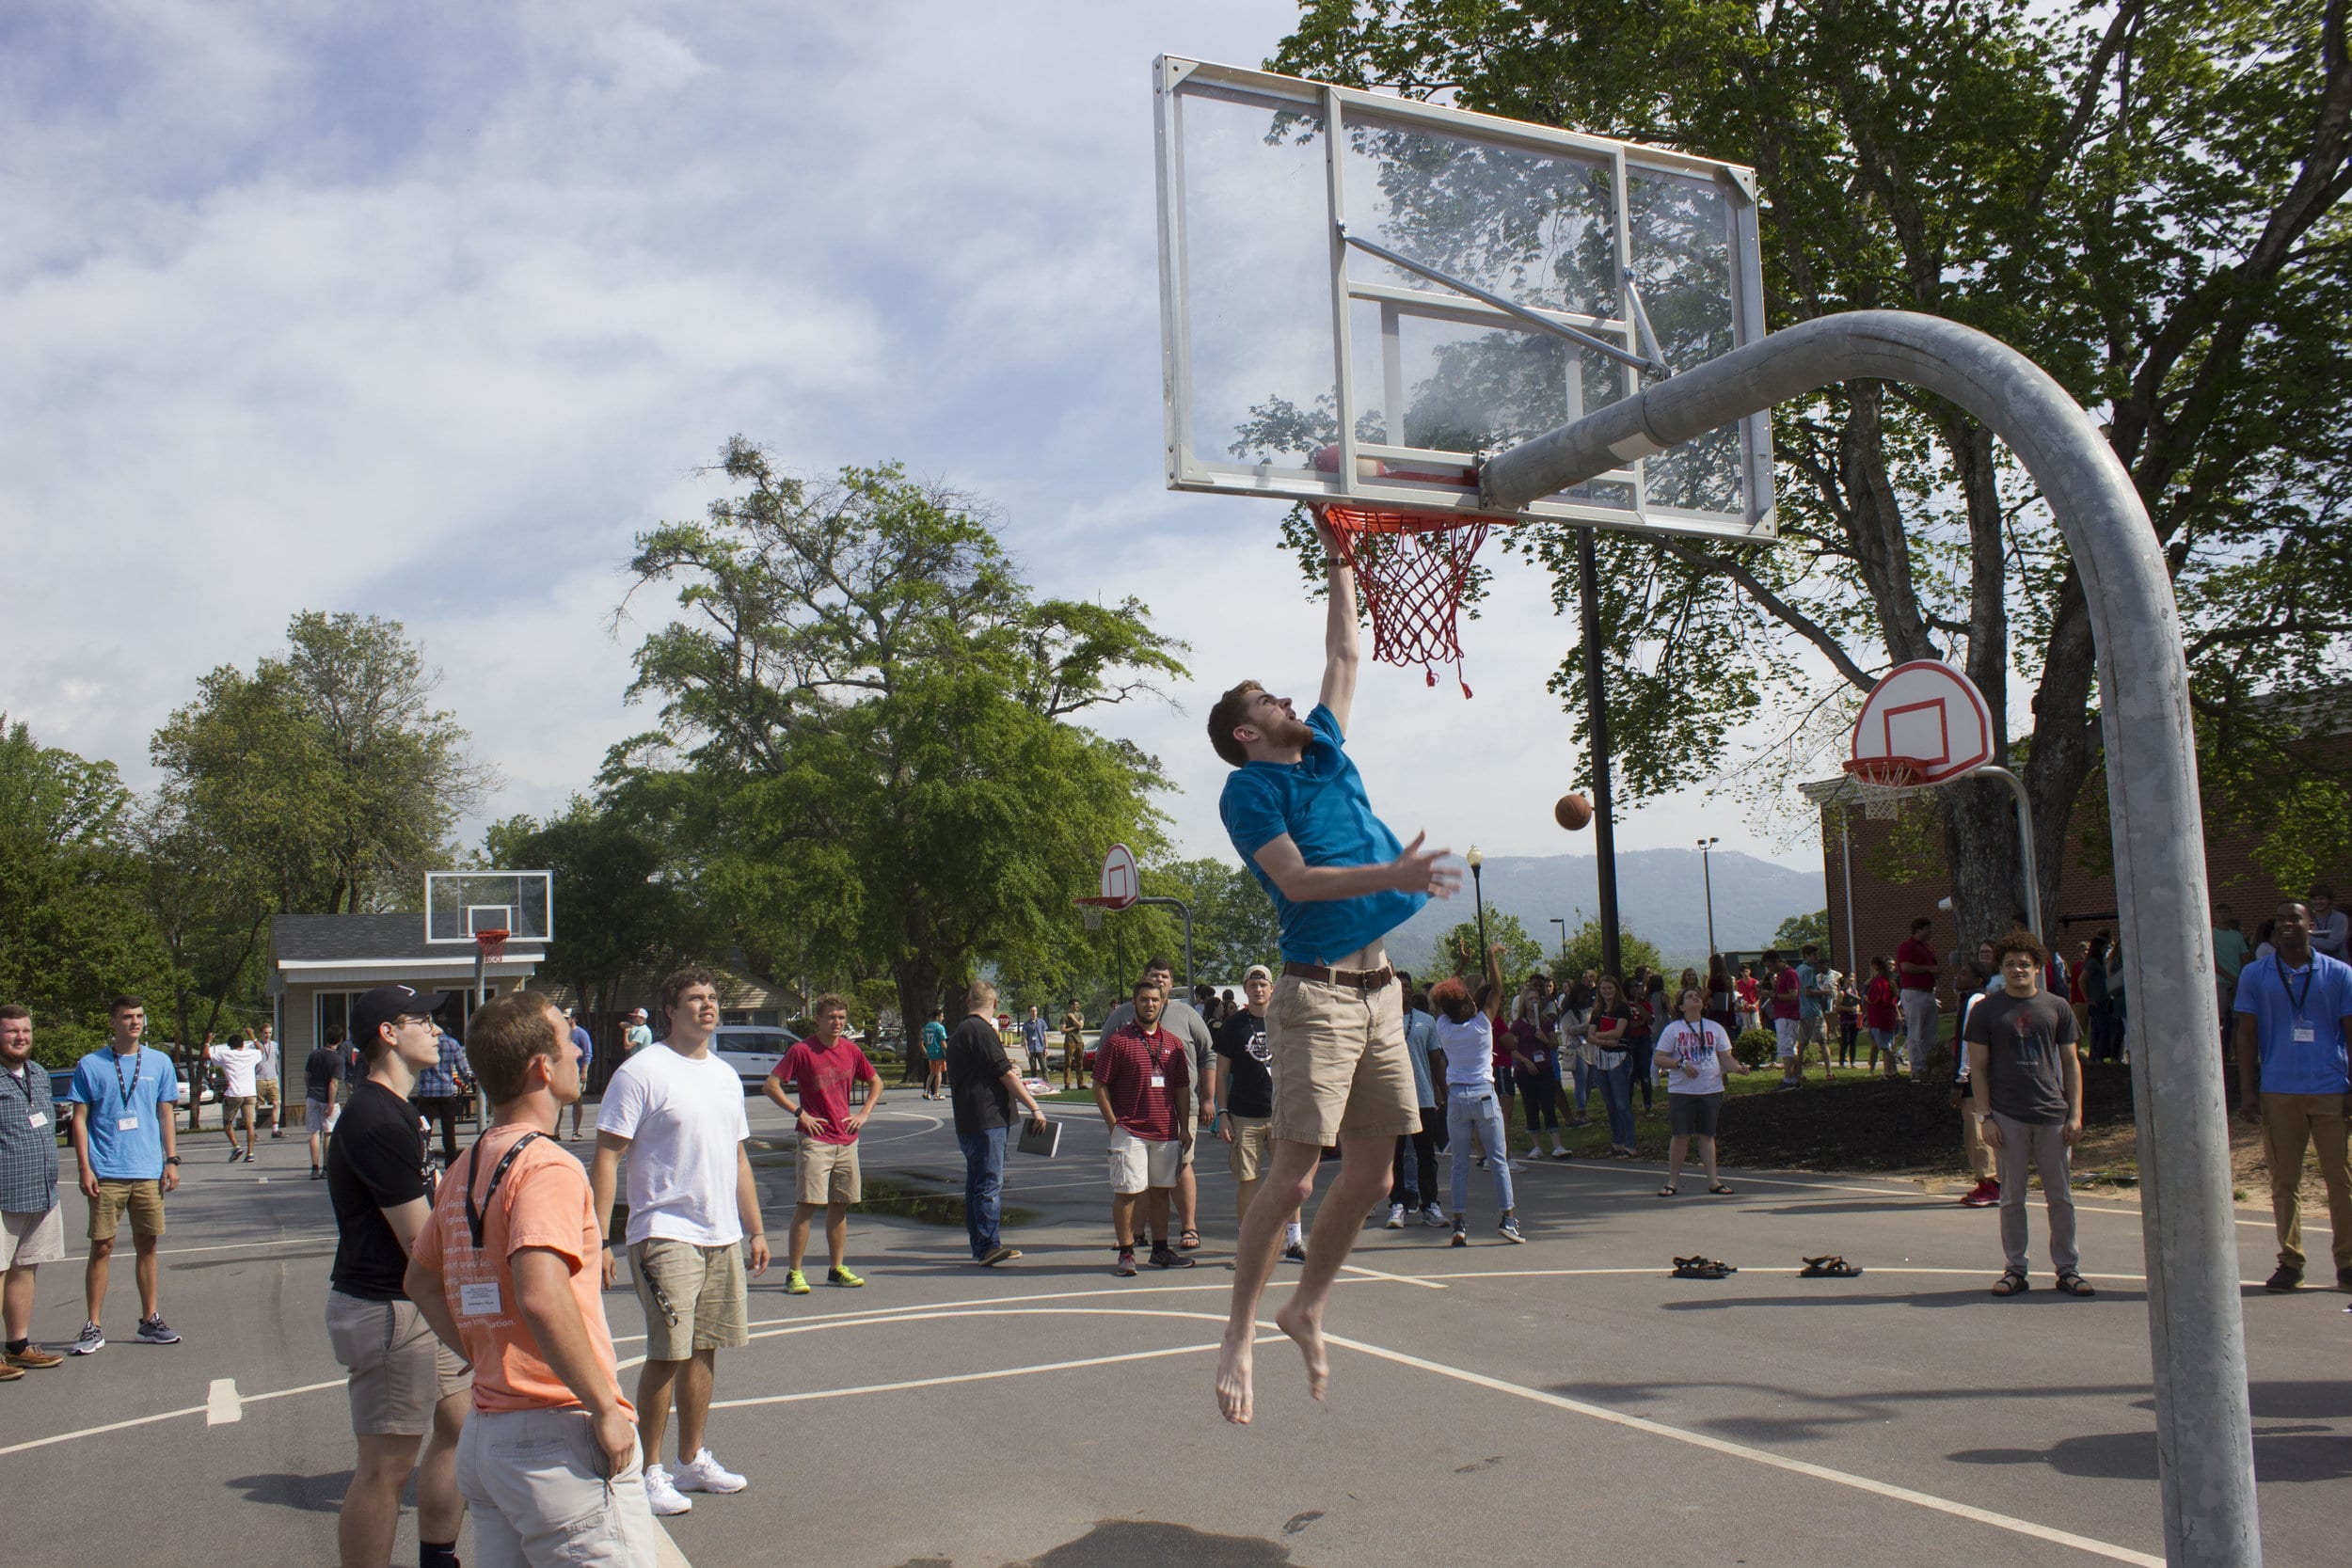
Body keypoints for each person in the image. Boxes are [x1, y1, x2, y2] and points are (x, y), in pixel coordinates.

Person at [1202, 520, 1457, 1426]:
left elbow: (1346, 647)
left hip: (1383, 993)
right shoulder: (1251, 790)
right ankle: (1237, 1329)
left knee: (1379, 1176)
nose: (1290, 699)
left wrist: (1339, 545)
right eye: (1270, 698)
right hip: (1313, 995)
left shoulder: (1326, 748)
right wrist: (1392, 874)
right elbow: (1299, 880)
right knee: (1299, 1173)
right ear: (1247, 728)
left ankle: (1305, 1303)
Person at [405, 990, 659, 1568]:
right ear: (542, 1067)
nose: (579, 1055)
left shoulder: (465, 1164)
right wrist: (605, 1407)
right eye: (570, 1045)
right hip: (557, 1435)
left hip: (488, 1437)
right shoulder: (548, 1166)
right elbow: (540, 1295)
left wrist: (483, 1347)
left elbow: (420, 1281)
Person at [593, 967, 770, 1518]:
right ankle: (649, 1471)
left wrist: (756, 1228)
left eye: (714, 998)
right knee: (667, 1352)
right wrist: (599, 1238)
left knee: (705, 1347)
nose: (708, 1006)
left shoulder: (723, 1075)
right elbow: (606, 1155)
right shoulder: (642, 1072)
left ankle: (691, 1460)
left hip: (721, 1234)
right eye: (695, 998)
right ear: (669, 1010)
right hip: (664, 1232)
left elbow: (737, 1157)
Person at [325, 984, 470, 1568]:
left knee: (462, 1424)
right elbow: (418, 1238)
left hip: (413, 1303)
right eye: (423, 1020)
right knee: (386, 1467)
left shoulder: (399, 1112)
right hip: (389, 1309)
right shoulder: (376, 1118)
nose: (436, 1030)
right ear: (389, 1033)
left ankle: (437, 1556)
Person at [2231, 900, 2352, 1292]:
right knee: (2285, 1181)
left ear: (2310, 925)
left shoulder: (2339, 974)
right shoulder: (2256, 974)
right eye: (2280, 918)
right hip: (2279, 1090)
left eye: (2294, 918)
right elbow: (2245, 1034)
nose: (2286, 924)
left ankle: (2348, 1261)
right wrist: (2247, 1090)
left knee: (2341, 1180)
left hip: (2331, 1089)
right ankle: (2290, 1260)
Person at [1967, 929, 2090, 1298]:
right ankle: (2015, 1269)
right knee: (2011, 1198)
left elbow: (2071, 1063)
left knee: (2060, 1197)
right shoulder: (1986, 1010)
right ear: (2001, 970)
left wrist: (2075, 1114)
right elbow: (1978, 1068)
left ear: (2038, 967)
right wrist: (1986, 1117)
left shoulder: (2057, 1007)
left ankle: (2068, 1269)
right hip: (2007, 1116)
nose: (2018, 969)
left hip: (2053, 1113)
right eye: (2010, 964)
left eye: (2024, 963)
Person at [64, 996, 181, 1354]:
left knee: (148, 1245)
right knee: (103, 1247)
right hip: (107, 1171)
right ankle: (92, 1325)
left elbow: (165, 1114)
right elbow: (79, 1119)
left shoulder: (159, 1062)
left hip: (147, 1170)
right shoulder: (90, 1065)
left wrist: (172, 1160)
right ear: (113, 1022)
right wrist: (84, 1167)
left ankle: (150, 1320)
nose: (135, 1022)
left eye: (140, 1016)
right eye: (127, 1017)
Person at [765, 993, 882, 1291]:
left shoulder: (852, 1051)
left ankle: (836, 1268)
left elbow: (876, 1081)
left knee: (839, 1206)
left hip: (846, 1140)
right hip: (815, 1141)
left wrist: (863, 1114)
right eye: (831, 1017)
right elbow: (771, 1085)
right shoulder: (802, 1051)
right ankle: (794, 1272)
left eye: (841, 1017)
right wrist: (799, 1113)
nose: (837, 1023)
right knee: (807, 1206)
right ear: (818, 1019)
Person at [1102, 958, 1218, 1252]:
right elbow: (1103, 1068)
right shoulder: (1121, 1018)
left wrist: (1207, 1098)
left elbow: (1208, 1055)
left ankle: (1188, 1226)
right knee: (1136, 1177)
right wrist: (1114, 1121)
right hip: (1133, 1114)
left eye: (1165, 976)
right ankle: (1134, 1234)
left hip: (1179, 1109)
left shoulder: (1187, 1015)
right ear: (1143, 981)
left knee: (1181, 1167)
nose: (1161, 981)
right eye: (1155, 975)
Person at [942, 981, 1049, 1268]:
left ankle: (982, 1244)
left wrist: (1007, 1070)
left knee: (976, 1183)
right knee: (989, 1183)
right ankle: (989, 1245)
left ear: (967, 1001)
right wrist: (1034, 1107)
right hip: (987, 1118)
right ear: (995, 1002)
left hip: (968, 1117)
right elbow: (1005, 1074)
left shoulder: (961, 1032)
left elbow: (988, 1070)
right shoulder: (981, 1030)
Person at [1093, 978, 1195, 1276]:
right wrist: (1114, 1125)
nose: (1149, 1004)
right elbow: (1099, 1086)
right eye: (1144, 1000)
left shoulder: (1174, 1045)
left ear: (1162, 1003)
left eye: (1154, 1000)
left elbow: (1181, 1087)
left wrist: (1184, 1127)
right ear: (1134, 1003)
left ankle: (1160, 1249)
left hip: (1165, 1132)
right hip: (1130, 1131)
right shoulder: (1118, 1042)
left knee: (1161, 1191)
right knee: (1128, 1191)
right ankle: (1126, 1252)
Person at [1429, 942, 1523, 1246]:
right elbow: (1496, 988)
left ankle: (1458, 1223)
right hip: (1483, 1093)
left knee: (1459, 1163)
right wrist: (1491, 956)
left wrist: (1460, 965)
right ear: (1468, 1005)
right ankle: (1508, 1219)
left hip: (1457, 1096)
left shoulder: (1444, 1027)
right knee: (1498, 1159)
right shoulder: (1483, 1026)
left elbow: (1440, 997)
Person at [1214, 966, 1309, 1259]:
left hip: (1282, 1114)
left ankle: (1294, 1241)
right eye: (1252, 984)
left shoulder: (1285, 1021)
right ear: (1246, 988)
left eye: (1263, 984)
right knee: (1248, 1180)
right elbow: (1221, 1072)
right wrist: (1223, 1112)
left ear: (1272, 989)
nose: (1258, 989)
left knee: (1290, 1180)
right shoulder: (1233, 1025)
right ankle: (1248, 1243)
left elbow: (1302, 1064)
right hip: (1244, 1115)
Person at [0, 1005, 66, 1379]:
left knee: (26, 1267)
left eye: (25, 1030)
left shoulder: (39, 1074)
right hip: (3, 1193)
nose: (20, 1037)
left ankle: (18, 1345)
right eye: (11, 1031)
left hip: (40, 1192)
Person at [1654, 987, 1742, 1196]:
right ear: (1682, 1006)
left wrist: (1738, 1068)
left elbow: (1726, 1058)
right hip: (1682, 1091)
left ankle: (1713, 1181)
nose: (1695, 998)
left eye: (1697, 996)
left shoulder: (1715, 1028)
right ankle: (1672, 1182)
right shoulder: (1673, 1029)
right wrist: (1679, 1063)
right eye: (1690, 997)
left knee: (1707, 1135)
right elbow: (1659, 1058)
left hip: (1710, 1089)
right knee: (1681, 1135)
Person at [1389, 973, 1446, 1226]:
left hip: (1422, 1096)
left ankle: (1430, 1204)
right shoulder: (1382, 1022)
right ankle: (1398, 1204)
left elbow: (1436, 1060)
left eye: (1408, 987)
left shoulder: (1426, 1021)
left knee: (1426, 1154)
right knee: (1396, 1155)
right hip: (1392, 1098)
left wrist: (1444, 1092)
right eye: (1398, 987)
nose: (1404, 991)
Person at [1507, 986, 1569, 1159]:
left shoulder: (1546, 1022)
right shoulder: (1518, 1025)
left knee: (1548, 1106)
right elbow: (1512, 1049)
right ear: (1523, 1003)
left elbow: (1554, 1045)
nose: (1534, 1001)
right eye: (1530, 999)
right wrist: (1526, 1062)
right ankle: (1536, 1146)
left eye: (1536, 998)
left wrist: (1545, 1039)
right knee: (1531, 1106)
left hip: (1545, 1069)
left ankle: (1557, 1145)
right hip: (1525, 1072)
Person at [1587, 974, 1640, 1157]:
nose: (1607, 991)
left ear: (1616, 989)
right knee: (1610, 1104)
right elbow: (1590, 1035)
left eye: (1610, 988)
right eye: (1603, 988)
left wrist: (1601, 1036)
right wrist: (1607, 1038)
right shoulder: (1597, 1012)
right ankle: (1617, 1142)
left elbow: (1618, 1033)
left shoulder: (1622, 1008)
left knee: (1622, 1103)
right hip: (1602, 1058)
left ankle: (1630, 1144)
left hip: (1619, 1058)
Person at [414, 1022, 472, 1167]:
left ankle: (423, 1160)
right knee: (449, 1130)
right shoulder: (452, 1044)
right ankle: (451, 1164)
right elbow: (462, 1066)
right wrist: (466, 1080)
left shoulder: (425, 1043)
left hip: (427, 1093)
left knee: (424, 1130)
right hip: (446, 1092)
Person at [209, 1031, 265, 1163]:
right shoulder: (250, 1054)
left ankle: (236, 1146)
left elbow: (207, 1055)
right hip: (250, 1093)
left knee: (227, 1123)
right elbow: (261, 1050)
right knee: (250, 1124)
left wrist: (208, 1041)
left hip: (234, 1093)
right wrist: (253, 1036)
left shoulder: (225, 1054)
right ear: (243, 1045)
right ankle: (250, 1153)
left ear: (230, 1046)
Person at [1897, 916, 1940, 1075]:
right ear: (1919, 929)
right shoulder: (1907, 946)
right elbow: (1906, 967)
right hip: (1913, 992)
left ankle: (1929, 1064)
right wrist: (1928, 969)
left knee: (1930, 1031)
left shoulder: (1928, 947)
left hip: (1928, 992)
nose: (1930, 932)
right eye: (1928, 929)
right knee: (1915, 1031)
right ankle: (1917, 1067)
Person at [306, 1024, 344, 1180]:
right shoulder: (337, 1059)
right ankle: (326, 1168)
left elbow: (306, 1075)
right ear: (340, 1041)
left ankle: (314, 1168)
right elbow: (333, 1083)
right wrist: (330, 1103)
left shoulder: (314, 1054)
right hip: (327, 1099)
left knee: (314, 1132)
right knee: (328, 1132)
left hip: (312, 1096)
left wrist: (310, 1090)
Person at [1765, 950, 1801, 1088]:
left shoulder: (1790, 974)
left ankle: (1788, 1078)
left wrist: (1774, 996)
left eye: (1769, 966)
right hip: (1782, 1015)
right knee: (1788, 1047)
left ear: (1775, 961)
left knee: (1787, 1047)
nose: (1769, 969)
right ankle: (1794, 1077)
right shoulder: (1781, 975)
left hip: (1788, 1016)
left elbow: (1793, 995)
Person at [1863, 957, 1901, 1076]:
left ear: (1875, 966)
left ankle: (1887, 1072)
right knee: (1888, 1045)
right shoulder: (1889, 981)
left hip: (1878, 1017)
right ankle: (1894, 1071)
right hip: (1889, 1017)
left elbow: (1874, 998)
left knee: (1885, 1047)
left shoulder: (1878, 981)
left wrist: (1866, 998)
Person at [565, 1008, 595, 1141]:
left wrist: (584, 1071)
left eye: (567, 1018)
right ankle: (555, 1131)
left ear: (573, 1018)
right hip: (563, 1070)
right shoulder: (562, 1033)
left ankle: (575, 1131)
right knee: (559, 1102)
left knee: (577, 1101)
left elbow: (587, 1053)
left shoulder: (581, 1033)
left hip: (577, 1070)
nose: (565, 1020)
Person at [255, 1021, 285, 1140]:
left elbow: (275, 1059)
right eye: (265, 1033)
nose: (268, 1035)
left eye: (270, 1033)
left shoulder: (274, 1045)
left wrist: (277, 1074)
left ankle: (275, 1129)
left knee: (277, 1102)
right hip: (259, 1079)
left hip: (272, 1078)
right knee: (255, 1105)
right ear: (261, 1033)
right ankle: (253, 1130)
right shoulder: (255, 1046)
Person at [2310, 885, 2349, 962]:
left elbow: (2333, 945)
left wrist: (2307, 939)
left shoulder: (2339, 918)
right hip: (2315, 963)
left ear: (2330, 900)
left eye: (2321, 899)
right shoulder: (2308, 918)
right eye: (2314, 899)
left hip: (2338, 962)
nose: (2318, 902)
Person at [1835, 968, 1862, 1069]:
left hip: (1855, 1019)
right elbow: (1837, 1007)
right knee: (1845, 1041)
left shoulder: (1855, 991)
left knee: (1853, 1041)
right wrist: (1848, 1008)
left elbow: (1858, 1006)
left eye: (1853, 978)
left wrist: (1859, 1020)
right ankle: (1842, 1062)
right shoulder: (1842, 993)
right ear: (1845, 979)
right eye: (1851, 977)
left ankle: (1853, 1062)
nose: (1853, 979)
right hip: (1845, 1020)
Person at [1059, 1001, 1088, 1091]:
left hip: (1079, 1041)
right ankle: (1067, 1084)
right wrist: (1075, 1027)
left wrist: (1073, 1018)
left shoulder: (1080, 1015)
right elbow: (1062, 1030)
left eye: (1078, 1004)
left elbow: (1081, 1026)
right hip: (1069, 1042)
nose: (1077, 1006)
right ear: (1071, 1005)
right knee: (1068, 1063)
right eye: (1075, 1005)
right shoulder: (1064, 1017)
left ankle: (1081, 1083)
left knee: (1080, 1063)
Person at [921, 1007, 947, 1101]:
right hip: (938, 1052)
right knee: (939, 1072)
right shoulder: (940, 1027)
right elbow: (942, 1041)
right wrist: (947, 1051)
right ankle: (936, 1093)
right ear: (938, 1016)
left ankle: (926, 1092)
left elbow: (924, 1040)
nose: (943, 1018)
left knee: (932, 1073)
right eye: (942, 1016)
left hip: (930, 1052)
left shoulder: (926, 1027)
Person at [1021, 1006, 1049, 1078]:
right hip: (1031, 1049)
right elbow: (1025, 1038)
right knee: (1033, 1069)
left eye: (1035, 1011)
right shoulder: (1026, 1024)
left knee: (1044, 1068)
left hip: (1040, 1049)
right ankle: (1034, 1084)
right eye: (1032, 1011)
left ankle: (1047, 1083)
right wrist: (1027, 1050)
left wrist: (1046, 1048)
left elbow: (1045, 1035)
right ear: (1029, 1013)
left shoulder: (1042, 1022)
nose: (1034, 1013)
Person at [1734, 964, 1760, 1036]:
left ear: (1749, 971)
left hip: (1754, 1009)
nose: (1745, 973)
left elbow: (1760, 996)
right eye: (1743, 972)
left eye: (1746, 971)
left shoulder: (1755, 982)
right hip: (1743, 1010)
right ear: (1740, 973)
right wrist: (1739, 1004)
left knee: (1756, 1028)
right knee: (1745, 1030)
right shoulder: (1738, 983)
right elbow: (1735, 996)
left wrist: (1755, 1004)